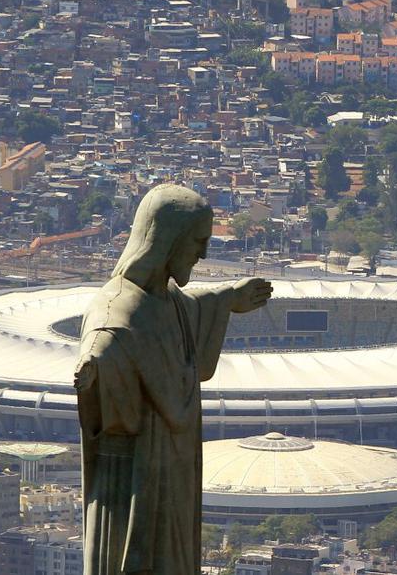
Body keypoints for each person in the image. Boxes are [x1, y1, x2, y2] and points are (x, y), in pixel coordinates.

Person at [74, 184, 272, 574]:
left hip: (172, 470)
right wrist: (94, 365)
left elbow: (189, 306)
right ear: (166, 241)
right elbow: (104, 338)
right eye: (198, 242)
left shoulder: (165, 298)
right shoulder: (118, 309)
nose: (203, 253)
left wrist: (228, 297)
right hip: (136, 474)